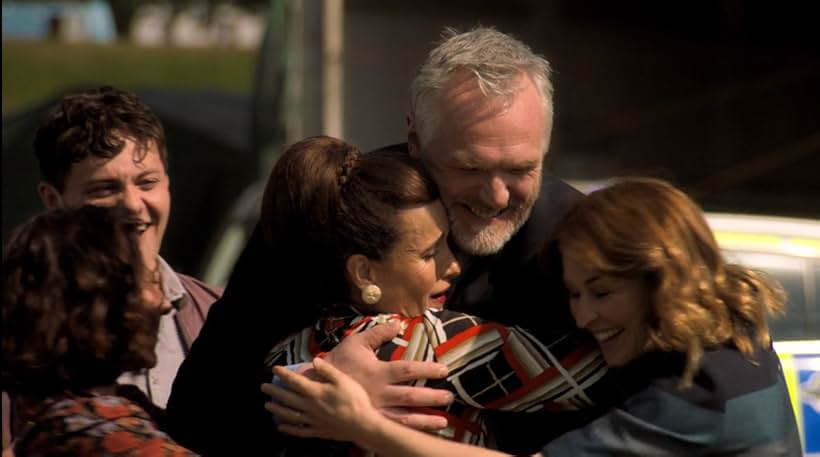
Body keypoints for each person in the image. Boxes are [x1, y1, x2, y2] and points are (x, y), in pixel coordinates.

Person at [167, 27, 598, 455]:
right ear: (415, 140)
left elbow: (645, 399)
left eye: (522, 169)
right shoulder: (329, 214)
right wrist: (314, 389)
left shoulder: (585, 239)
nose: (497, 196)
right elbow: (197, 410)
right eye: (470, 169)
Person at [267, 177, 803, 457]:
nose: (584, 316)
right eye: (574, 294)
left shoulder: (699, 388)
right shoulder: (735, 338)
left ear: (657, 278)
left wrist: (357, 421)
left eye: (602, 292)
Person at [256, 136, 608, 455]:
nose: (454, 266)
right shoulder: (434, 341)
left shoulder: (288, 353)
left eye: (448, 245)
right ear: (365, 272)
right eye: (429, 254)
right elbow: (595, 378)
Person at [2, 86, 222, 452]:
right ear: (53, 201)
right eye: (105, 189)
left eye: (147, 182)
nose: (133, 206)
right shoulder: (18, 329)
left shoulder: (219, 315)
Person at [1, 205, 197, 456]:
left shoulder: (44, 425)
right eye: (148, 281)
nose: (163, 303)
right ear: (98, 305)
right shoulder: (118, 444)